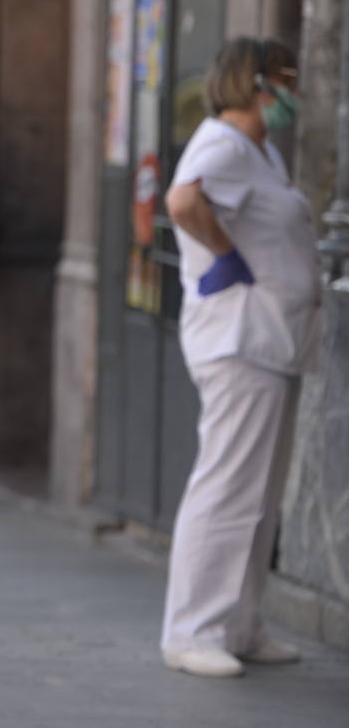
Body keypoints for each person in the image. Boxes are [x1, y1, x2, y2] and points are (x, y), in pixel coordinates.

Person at [159, 38, 320, 678]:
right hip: (239, 340)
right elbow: (181, 201)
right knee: (229, 486)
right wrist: (226, 256)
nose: (295, 90)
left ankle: (240, 623)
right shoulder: (223, 141)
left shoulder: (262, 151)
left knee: (260, 491)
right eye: (288, 76)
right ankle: (192, 630)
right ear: (257, 82)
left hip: (270, 340)